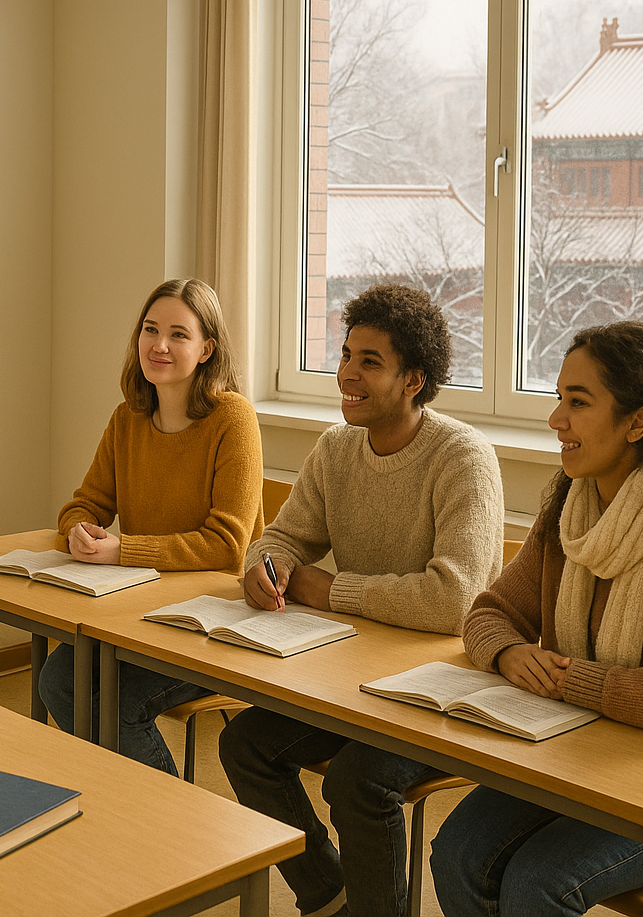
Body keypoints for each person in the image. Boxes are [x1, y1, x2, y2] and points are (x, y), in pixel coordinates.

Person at [430, 321, 643, 917]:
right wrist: (510, 653)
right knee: (457, 851)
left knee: (538, 882)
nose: (556, 419)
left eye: (578, 402)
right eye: (559, 398)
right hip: (584, 766)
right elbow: (488, 612)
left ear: (638, 423)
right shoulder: (569, 509)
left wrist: (565, 680)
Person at [217, 283, 503, 917]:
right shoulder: (337, 448)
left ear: (413, 380)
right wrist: (264, 568)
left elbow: (455, 601)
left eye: (369, 362)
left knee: (357, 781)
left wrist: (328, 589)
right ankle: (330, 894)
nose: (346, 373)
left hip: (442, 685)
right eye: (346, 355)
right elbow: (282, 537)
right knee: (243, 746)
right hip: (355, 674)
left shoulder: (462, 457)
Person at [38, 277, 263, 774]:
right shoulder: (128, 419)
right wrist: (79, 529)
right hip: (141, 612)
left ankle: (166, 823)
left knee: (110, 703)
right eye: (150, 330)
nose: (159, 345)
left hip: (213, 621)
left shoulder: (233, 418)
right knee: (57, 681)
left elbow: (227, 547)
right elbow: (84, 504)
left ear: (207, 348)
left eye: (178, 334)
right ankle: (121, 805)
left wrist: (124, 551)